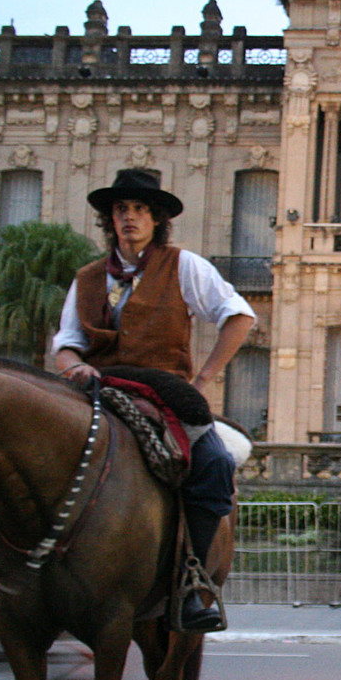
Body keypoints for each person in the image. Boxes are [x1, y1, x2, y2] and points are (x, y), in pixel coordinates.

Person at [51, 169, 256, 633]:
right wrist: (73, 365)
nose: (129, 217)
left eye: (140, 209)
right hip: (100, 387)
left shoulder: (183, 266)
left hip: (163, 391)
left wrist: (204, 377)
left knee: (215, 465)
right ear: (111, 219)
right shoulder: (86, 278)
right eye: (121, 209)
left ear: (157, 219)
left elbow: (239, 316)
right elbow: (65, 341)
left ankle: (194, 580)